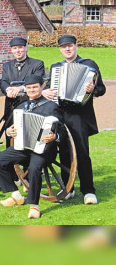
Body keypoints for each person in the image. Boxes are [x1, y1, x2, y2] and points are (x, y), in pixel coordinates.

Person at [41, 35, 106, 205]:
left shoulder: (89, 64)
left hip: (80, 114)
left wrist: (93, 89)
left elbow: (102, 89)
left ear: (76, 46)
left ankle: (88, 190)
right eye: (64, 47)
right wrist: (45, 92)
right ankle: (68, 188)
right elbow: (48, 89)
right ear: (60, 49)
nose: (67, 49)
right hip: (61, 113)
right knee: (64, 152)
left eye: (70, 46)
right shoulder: (57, 67)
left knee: (82, 152)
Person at [0, 74, 64, 219]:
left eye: (35, 87)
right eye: (29, 88)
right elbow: (10, 127)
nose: (32, 90)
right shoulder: (21, 106)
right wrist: (9, 131)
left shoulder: (52, 106)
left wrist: (54, 137)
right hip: (24, 148)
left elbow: (62, 129)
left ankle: (34, 206)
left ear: (41, 87)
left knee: (34, 168)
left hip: (44, 150)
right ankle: (15, 195)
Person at [0, 36, 45, 147]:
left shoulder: (37, 64)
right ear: (11, 50)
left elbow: (39, 81)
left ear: (26, 48)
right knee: (10, 135)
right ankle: (10, 162)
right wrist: (8, 89)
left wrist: (20, 88)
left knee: (28, 136)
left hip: (30, 105)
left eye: (20, 47)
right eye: (15, 48)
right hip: (11, 106)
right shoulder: (7, 65)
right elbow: (3, 81)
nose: (17, 51)